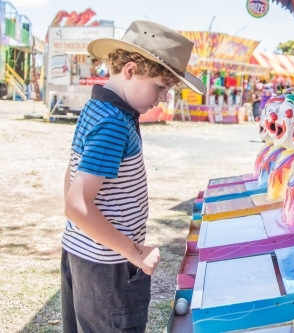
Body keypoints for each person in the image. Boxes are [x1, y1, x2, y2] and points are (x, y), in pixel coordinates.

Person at [61, 20, 205, 332]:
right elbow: (76, 204)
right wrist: (135, 252)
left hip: (85, 252)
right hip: (108, 265)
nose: (164, 98)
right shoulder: (113, 123)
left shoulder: (98, 108)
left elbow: (71, 176)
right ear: (130, 71)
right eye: (160, 87)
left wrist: (78, 232)